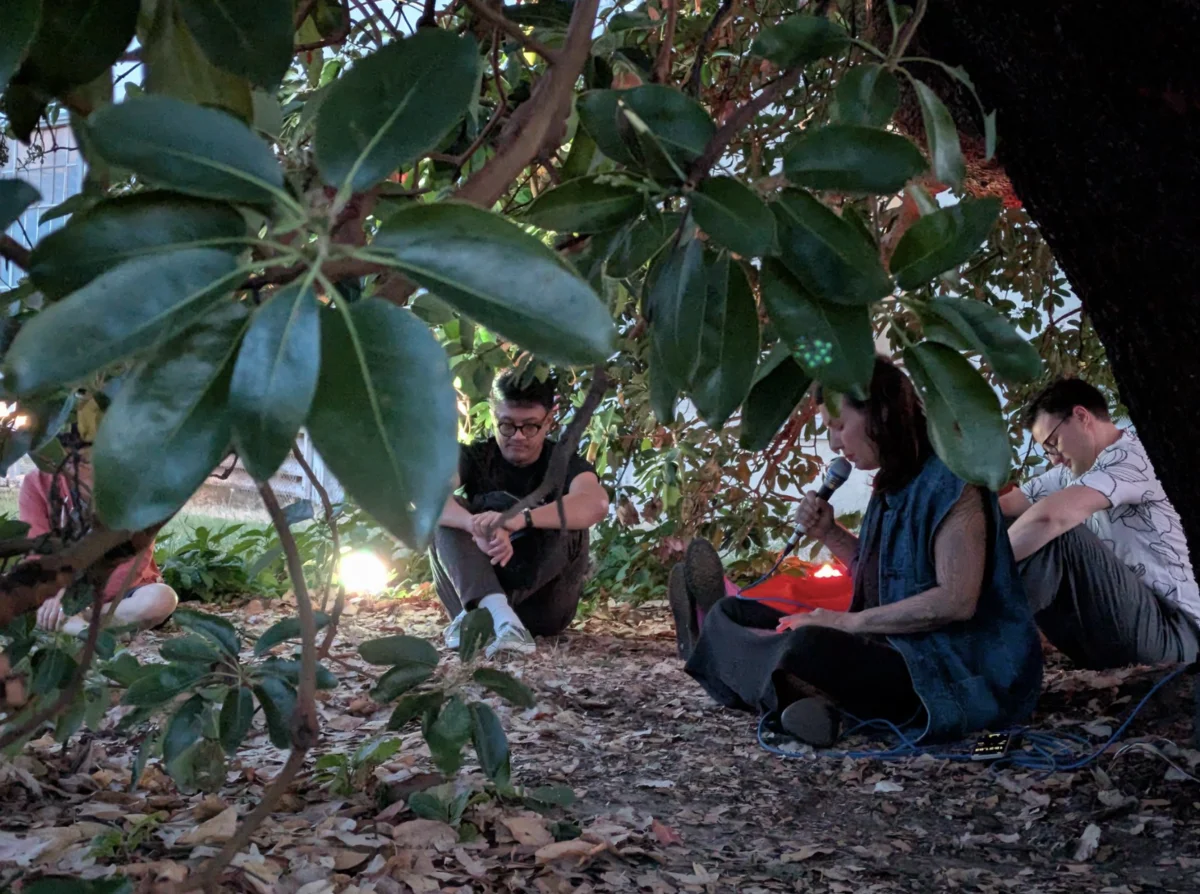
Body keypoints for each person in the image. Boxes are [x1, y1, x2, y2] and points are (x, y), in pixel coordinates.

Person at [674, 357, 1043, 747]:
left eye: (838, 426)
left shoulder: (955, 479)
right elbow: (876, 574)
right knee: (731, 611)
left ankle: (754, 676)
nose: (834, 443)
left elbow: (956, 601)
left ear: (881, 413)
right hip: (885, 645)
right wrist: (829, 533)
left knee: (806, 645)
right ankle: (794, 695)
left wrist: (847, 623)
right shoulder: (891, 482)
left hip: (943, 671)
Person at [1001, 378, 1199, 668]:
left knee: (1057, 532)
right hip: (1114, 630)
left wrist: (979, 573)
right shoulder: (1072, 474)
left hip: (1175, 635)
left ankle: (968, 637)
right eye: (1047, 452)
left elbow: (1049, 518)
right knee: (1008, 518)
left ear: (1081, 416)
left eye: (1053, 443)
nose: (1054, 459)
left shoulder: (1137, 457)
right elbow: (1010, 504)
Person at [432, 370, 609, 658]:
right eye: (507, 426)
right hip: (476, 595)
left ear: (548, 421)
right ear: (493, 416)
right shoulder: (474, 457)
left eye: (529, 427)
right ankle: (498, 615)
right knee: (443, 513)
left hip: (543, 606)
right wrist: (473, 526)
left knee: (569, 515)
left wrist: (518, 520)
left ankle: (498, 619)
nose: (518, 437)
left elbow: (596, 504)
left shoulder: (563, 463)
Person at [19, 435, 177, 636]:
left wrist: (76, 601)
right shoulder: (36, 482)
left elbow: (130, 564)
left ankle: (74, 623)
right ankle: (87, 627)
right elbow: (36, 550)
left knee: (162, 599)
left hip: (118, 595)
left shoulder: (135, 488)